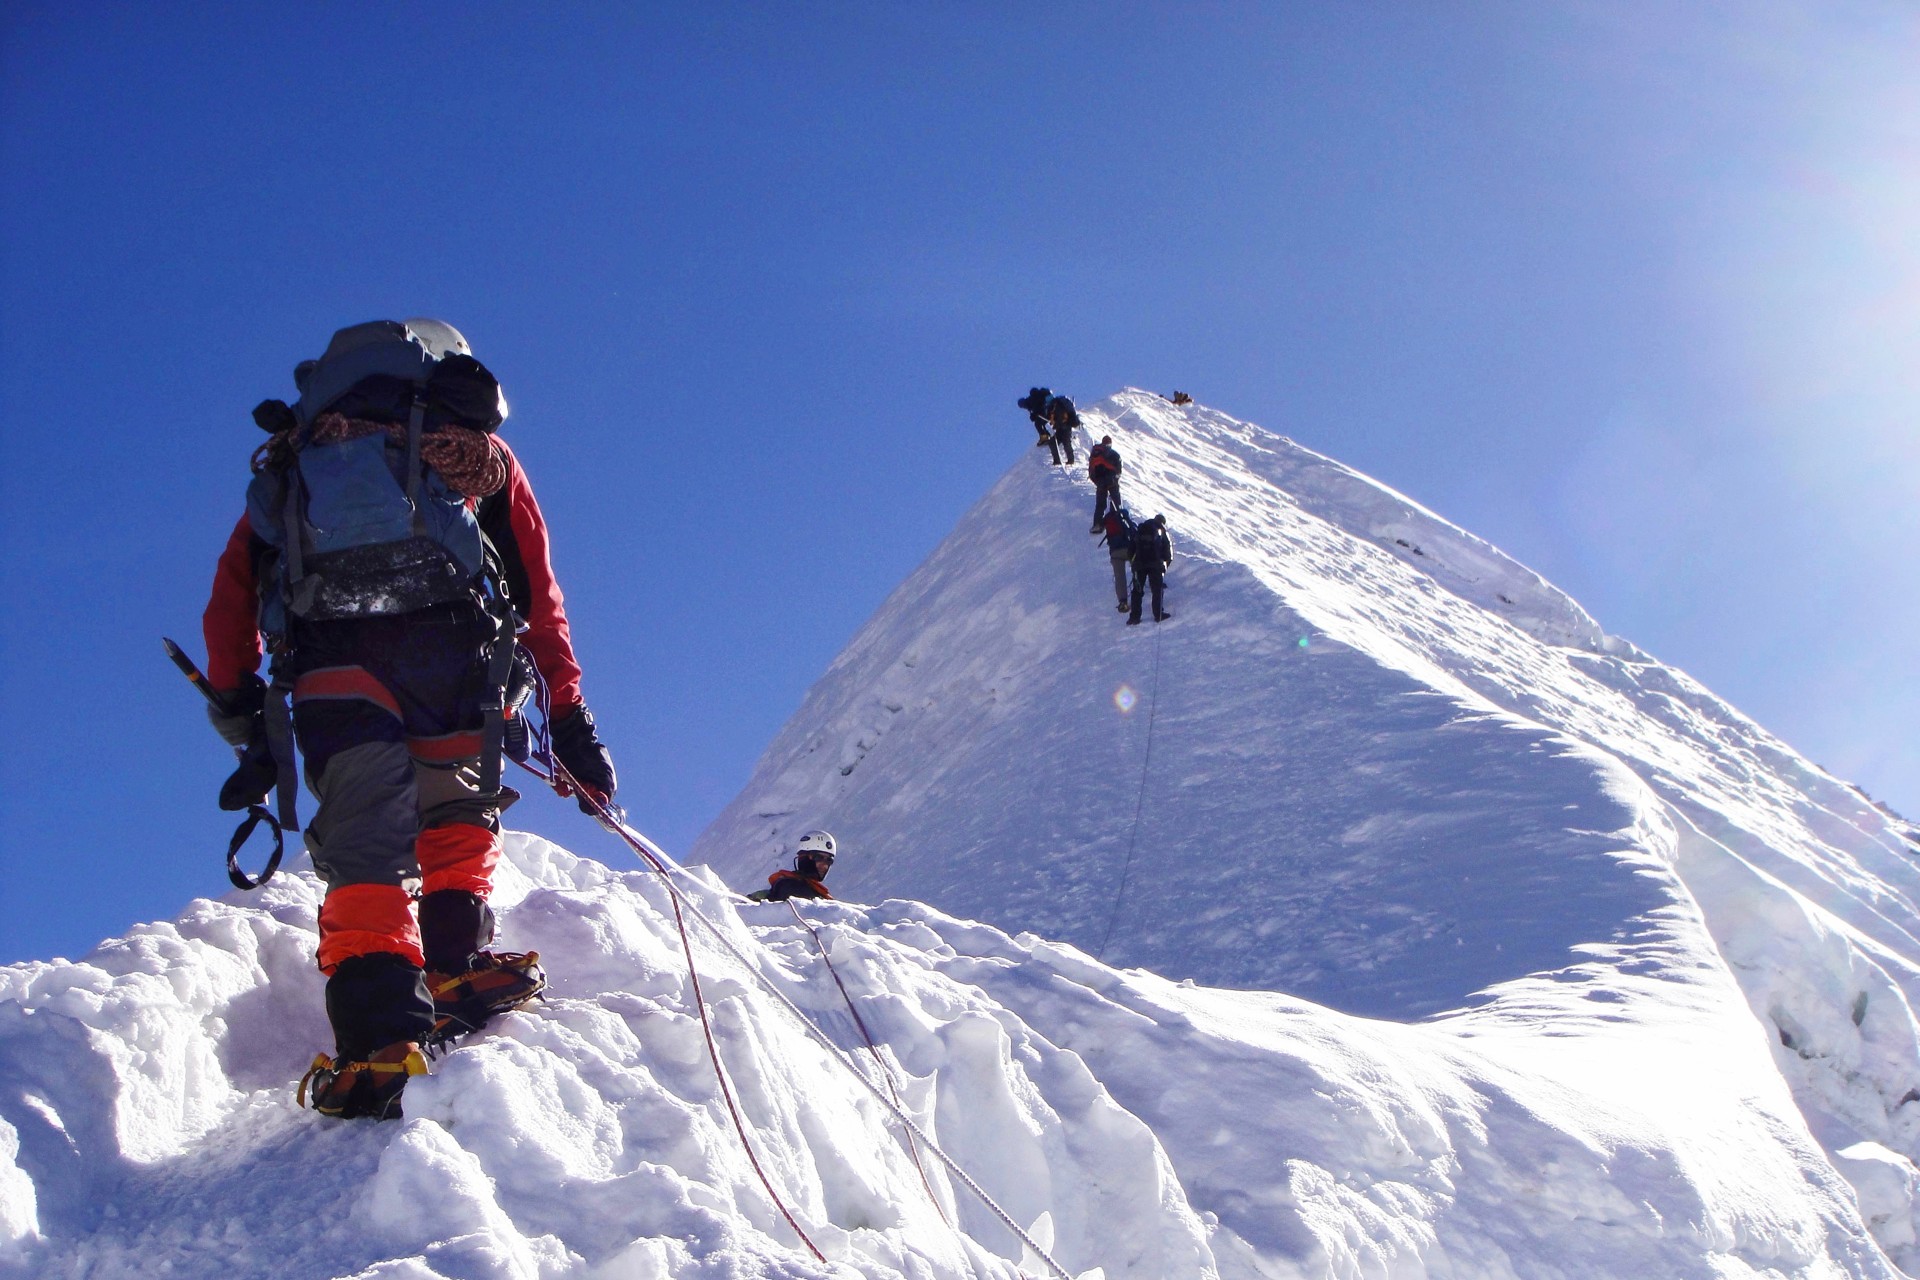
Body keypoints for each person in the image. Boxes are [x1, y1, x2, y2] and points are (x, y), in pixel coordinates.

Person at [202, 319, 619, 1120]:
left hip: (331, 665)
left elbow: (232, 596)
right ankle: (455, 966)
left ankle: (380, 1038)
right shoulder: (470, 455)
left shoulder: (297, 464)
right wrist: (570, 717)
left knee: (364, 844)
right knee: (457, 809)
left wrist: (241, 714)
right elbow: (537, 591)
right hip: (454, 656)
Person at [747, 830, 837, 902]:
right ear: (804, 857)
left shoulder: (821, 895)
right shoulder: (789, 886)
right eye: (819, 857)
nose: (824, 864)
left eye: (829, 860)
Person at [1127, 514, 1174, 625]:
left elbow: (1130, 550)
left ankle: (1134, 617)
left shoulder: (1140, 529)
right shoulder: (1162, 531)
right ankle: (1158, 614)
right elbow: (1169, 553)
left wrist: (1133, 563)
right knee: (1157, 589)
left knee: (1137, 591)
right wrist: (1165, 565)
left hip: (1139, 564)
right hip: (1156, 564)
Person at [1099, 506, 1136, 612]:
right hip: (1129, 549)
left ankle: (1123, 601)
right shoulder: (1125, 519)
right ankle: (1139, 591)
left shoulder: (1109, 520)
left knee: (1119, 577)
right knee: (1137, 570)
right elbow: (1134, 531)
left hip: (1115, 552)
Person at [1088, 435, 1123, 531]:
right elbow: (1118, 471)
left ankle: (1097, 525)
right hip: (1112, 482)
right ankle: (1116, 524)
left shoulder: (1095, 453)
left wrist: (1097, 482)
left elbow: (1091, 471)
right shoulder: (1114, 454)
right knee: (1115, 502)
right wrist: (1115, 480)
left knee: (1100, 504)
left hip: (1100, 483)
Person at [1016, 387, 1056, 458]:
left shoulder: (1030, 400)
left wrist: (1034, 415)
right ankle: (1049, 435)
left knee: (1038, 424)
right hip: (1050, 412)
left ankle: (1045, 437)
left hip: (1043, 413)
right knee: (1042, 423)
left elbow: (1034, 409)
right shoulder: (1041, 395)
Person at [1046, 394, 1079, 467]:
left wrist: (1055, 424)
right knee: (1064, 442)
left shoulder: (1056, 406)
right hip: (1062, 427)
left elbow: (1061, 418)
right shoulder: (1057, 405)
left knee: (1062, 442)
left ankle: (1061, 461)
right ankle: (1069, 460)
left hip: (1064, 426)